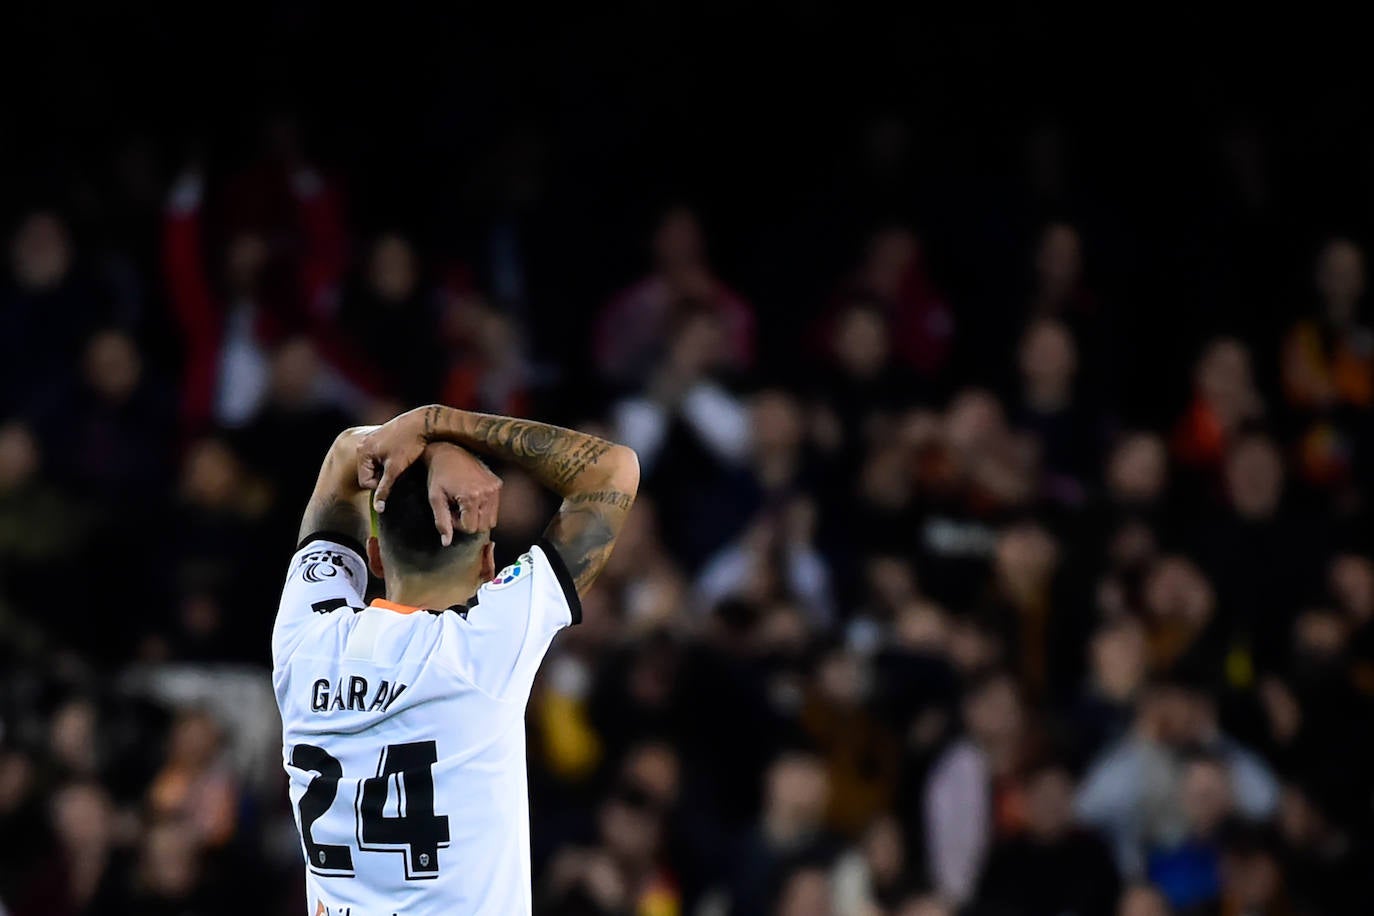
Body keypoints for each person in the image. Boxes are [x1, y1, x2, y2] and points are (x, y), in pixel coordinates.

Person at [272, 405, 639, 915]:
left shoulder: (305, 636)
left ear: (374, 556)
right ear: (490, 566)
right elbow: (613, 469)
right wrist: (433, 427)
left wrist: (420, 440)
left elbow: (342, 458)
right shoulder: (484, 649)